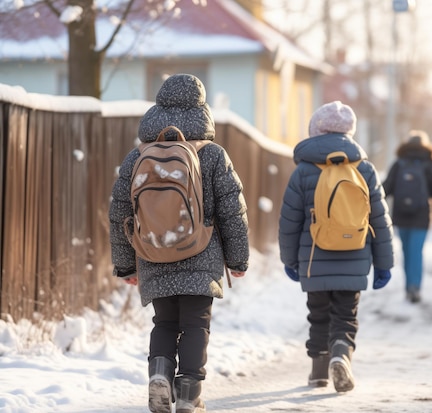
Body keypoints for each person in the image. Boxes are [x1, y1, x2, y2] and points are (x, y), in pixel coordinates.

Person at [109, 74, 249, 413]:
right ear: (202, 109)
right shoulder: (213, 155)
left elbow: (119, 212)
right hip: (201, 254)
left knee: (165, 322)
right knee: (195, 323)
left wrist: (126, 263)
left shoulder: (137, 156)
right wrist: (237, 259)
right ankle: (189, 394)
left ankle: (159, 373)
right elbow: (233, 210)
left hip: (153, 253)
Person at [278, 101, 394, 393]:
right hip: (355, 255)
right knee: (345, 315)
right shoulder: (364, 169)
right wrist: (384, 263)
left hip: (314, 257)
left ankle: (318, 372)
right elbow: (380, 219)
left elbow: (289, 221)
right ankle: (341, 354)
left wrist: (290, 260)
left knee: (318, 315)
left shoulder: (303, 171)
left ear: (315, 130)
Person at [383, 130, 432, 304]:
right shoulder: (430, 165)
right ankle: (415, 287)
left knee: (406, 251)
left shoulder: (399, 163)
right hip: (422, 216)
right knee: (416, 252)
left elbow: (386, 188)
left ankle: (408, 286)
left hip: (401, 215)